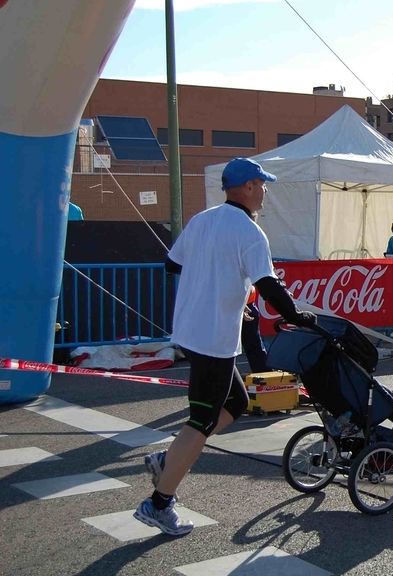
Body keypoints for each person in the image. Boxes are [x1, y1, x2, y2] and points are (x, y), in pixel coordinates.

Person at [133, 157, 317, 536]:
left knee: (235, 404)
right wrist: (297, 316)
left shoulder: (203, 219)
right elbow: (269, 285)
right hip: (212, 337)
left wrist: (226, 291)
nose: (265, 191)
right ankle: (158, 503)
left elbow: (173, 264)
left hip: (194, 329)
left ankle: (168, 460)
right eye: (262, 184)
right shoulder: (250, 232)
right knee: (200, 420)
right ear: (248, 186)